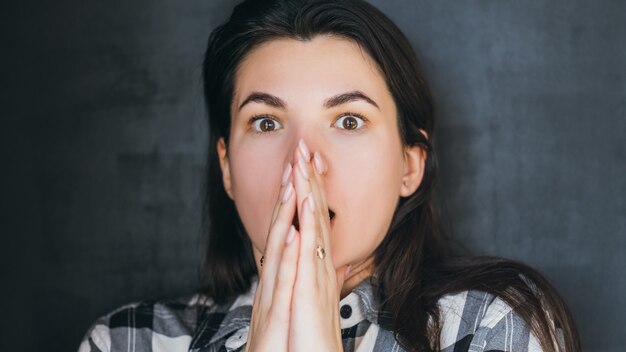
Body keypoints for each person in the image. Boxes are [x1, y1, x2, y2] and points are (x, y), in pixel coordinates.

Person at [79, 0, 581, 351]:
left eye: (348, 121)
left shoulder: (488, 327)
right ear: (227, 166)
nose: (305, 161)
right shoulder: (127, 341)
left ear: (410, 164)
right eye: (267, 122)